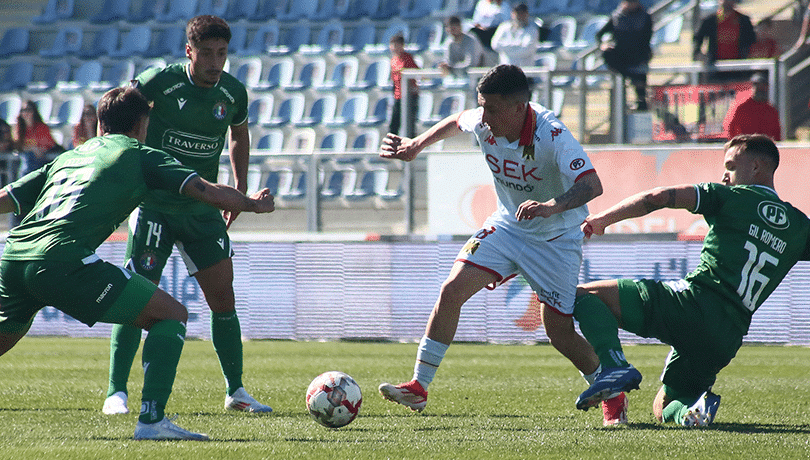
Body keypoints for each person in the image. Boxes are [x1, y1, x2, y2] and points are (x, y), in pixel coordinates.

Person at [0, 86, 275, 440]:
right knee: (171, 315)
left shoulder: (69, 156)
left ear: (100, 124)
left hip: (14, 256)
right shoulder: (141, 154)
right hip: (62, 260)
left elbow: (8, 196)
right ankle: (152, 420)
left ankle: (129, 400)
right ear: (142, 124)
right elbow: (205, 190)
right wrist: (253, 204)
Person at [376, 65, 625, 426]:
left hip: (555, 239)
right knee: (451, 290)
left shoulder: (552, 134)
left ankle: (611, 392)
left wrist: (551, 206)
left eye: (492, 109)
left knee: (559, 333)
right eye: (483, 107)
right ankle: (419, 386)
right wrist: (415, 146)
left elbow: (591, 184)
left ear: (520, 106)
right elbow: (457, 120)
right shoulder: (483, 119)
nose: (485, 117)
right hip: (508, 226)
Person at [569, 134, 809, 427]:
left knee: (583, 295)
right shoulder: (799, 226)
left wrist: (602, 220)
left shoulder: (728, 197)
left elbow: (656, 197)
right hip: (728, 335)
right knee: (665, 406)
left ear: (757, 166)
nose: (725, 175)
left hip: (692, 304)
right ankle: (691, 413)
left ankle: (614, 365)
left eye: (731, 165)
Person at [102, 15, 273, 416]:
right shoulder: (159, 81)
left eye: (223, 54)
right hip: (154, 208)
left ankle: (236, 391)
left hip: (203, 207)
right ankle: (116, 391)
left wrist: (239, 191)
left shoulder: (233, 93)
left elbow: (238, 134)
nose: (216, 63)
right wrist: (111, 168)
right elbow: (111, 111)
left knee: (222, 297)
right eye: (208, 54)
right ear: (189, 51)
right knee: (135, 299)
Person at [596, 0, 653, 111]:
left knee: (640, 85)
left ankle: (641, 101)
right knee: (607, 54)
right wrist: (604, 45)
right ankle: (627, 78)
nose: (629, 5)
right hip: (621, 56)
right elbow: (599, 35)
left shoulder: (645, 17)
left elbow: (646, 39)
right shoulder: (617, 16)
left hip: (638, 54)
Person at [11, 100, 61, 227]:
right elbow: (18, 146)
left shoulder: (41, 127)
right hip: (28, 164)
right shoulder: (19, 128)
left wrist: (33, 148)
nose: (26, 113)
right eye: (23, 111)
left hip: (40, 163)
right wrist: (32, 148)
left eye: (28, 110)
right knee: (26, 158)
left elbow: (46, 146)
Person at [693, 0, 756, 81]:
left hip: (739, 70)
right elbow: (697, 40)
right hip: (715, 69)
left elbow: (752, 41)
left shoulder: (743, 20)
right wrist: (699, 54)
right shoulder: (710, 20)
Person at [724, 73, 782, 141]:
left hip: (764, 146)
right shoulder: (741, 106)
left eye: (763, 86)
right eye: (757, 86)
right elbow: (729, 125)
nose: (760, 89)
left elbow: (776, 132)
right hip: (746, 145)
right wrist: (734, 142)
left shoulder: (771, 110)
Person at [388, 33, 419, 138]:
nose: (394, 48)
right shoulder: (394, 60)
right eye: (393, 45)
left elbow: (416, 72)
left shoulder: (407, 58)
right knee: (394, 123)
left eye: (397, 45)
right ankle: (392, 146)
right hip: (398, 95)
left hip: (409, 95)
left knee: (409, 123)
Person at [490, 3, 539, 68]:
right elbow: (495, 45)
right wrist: (518, 45)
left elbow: (526, 50)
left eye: (522, 13)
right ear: (512, 13)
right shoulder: (503, 27)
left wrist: (506, 48)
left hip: (525, 72)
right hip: (505, 70)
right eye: (517, 13)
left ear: (527, 14)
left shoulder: (533, 31)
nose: (519, 16)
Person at [470, 0, 511, 65]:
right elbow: (476, 22)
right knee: (472, 32)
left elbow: (506, 23)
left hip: (496, 31)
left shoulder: (504, 5)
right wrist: (482, 27)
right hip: (482, 31)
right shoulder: (481, 3)